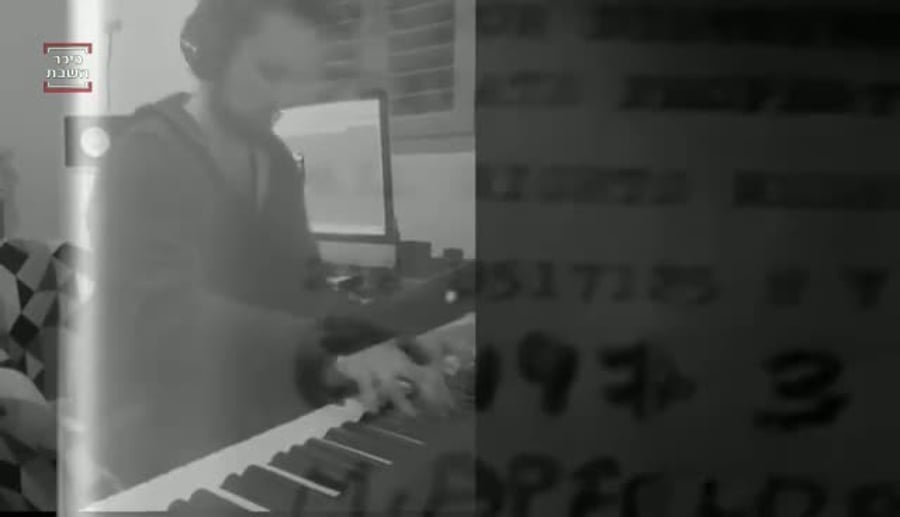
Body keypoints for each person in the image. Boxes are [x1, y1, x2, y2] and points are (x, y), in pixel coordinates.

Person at [84, 0, 456, 493]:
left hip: (249, 405)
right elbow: (168, 318)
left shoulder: (273, 159)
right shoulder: (143, 155)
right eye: (271, 72)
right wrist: (328, 355)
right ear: (211, 55)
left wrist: (388, 337)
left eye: (300, 78)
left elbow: (304, 290)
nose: (287, 97)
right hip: (154, 422)